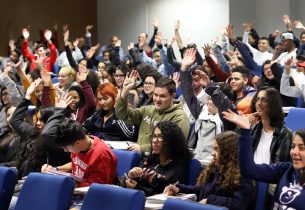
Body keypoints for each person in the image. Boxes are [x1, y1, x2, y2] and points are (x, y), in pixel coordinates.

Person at [222, 110, 305, 210]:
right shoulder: (284, 169)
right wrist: (245, 131)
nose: (294, 152)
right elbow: (249, 170)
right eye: (293, 146)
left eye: (302, 148)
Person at [41, 94, 117, 187]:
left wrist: (67, 186)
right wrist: (55, 170)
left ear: (77, 143)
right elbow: (76, 164)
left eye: (66, 147)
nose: (65, 150)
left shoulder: (101, 155)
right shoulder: (79, 144)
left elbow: (95, 187)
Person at [164, 131, 253, 210]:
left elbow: (239, 204)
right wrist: (179, 188)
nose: (212, 153)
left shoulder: (243, 174)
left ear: (229, 152)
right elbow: (200, 190)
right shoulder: (215, 168)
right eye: (213, 149)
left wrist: (210, 200)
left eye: (217, 149)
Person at [115, 72, 189, 153]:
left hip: (161, 163)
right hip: (141, 159)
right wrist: (125, 90)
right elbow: (122, 114)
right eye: (155, 95)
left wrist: (142, 149)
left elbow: (173, 145)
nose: (157, 99)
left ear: (173, 96)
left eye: (162, 96)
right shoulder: (148, 109)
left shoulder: (179, 117)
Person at [123, 121, 192, 196]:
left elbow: (163, 195)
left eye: (160, 137)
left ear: (171, 141)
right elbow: (130, 182)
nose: (154, 140)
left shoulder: (178, 167)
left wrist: (137, 188)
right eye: (154, 136)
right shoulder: (150, 159)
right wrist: (131, 176)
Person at [250, 86, 292, 164]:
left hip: (268, 175)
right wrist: (244, 128)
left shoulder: (285, 134)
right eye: (257, 99)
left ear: (273, 104)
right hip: (250, 174)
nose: (258, 103)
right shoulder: (254, 129)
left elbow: (279, 167)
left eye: (263, 100)